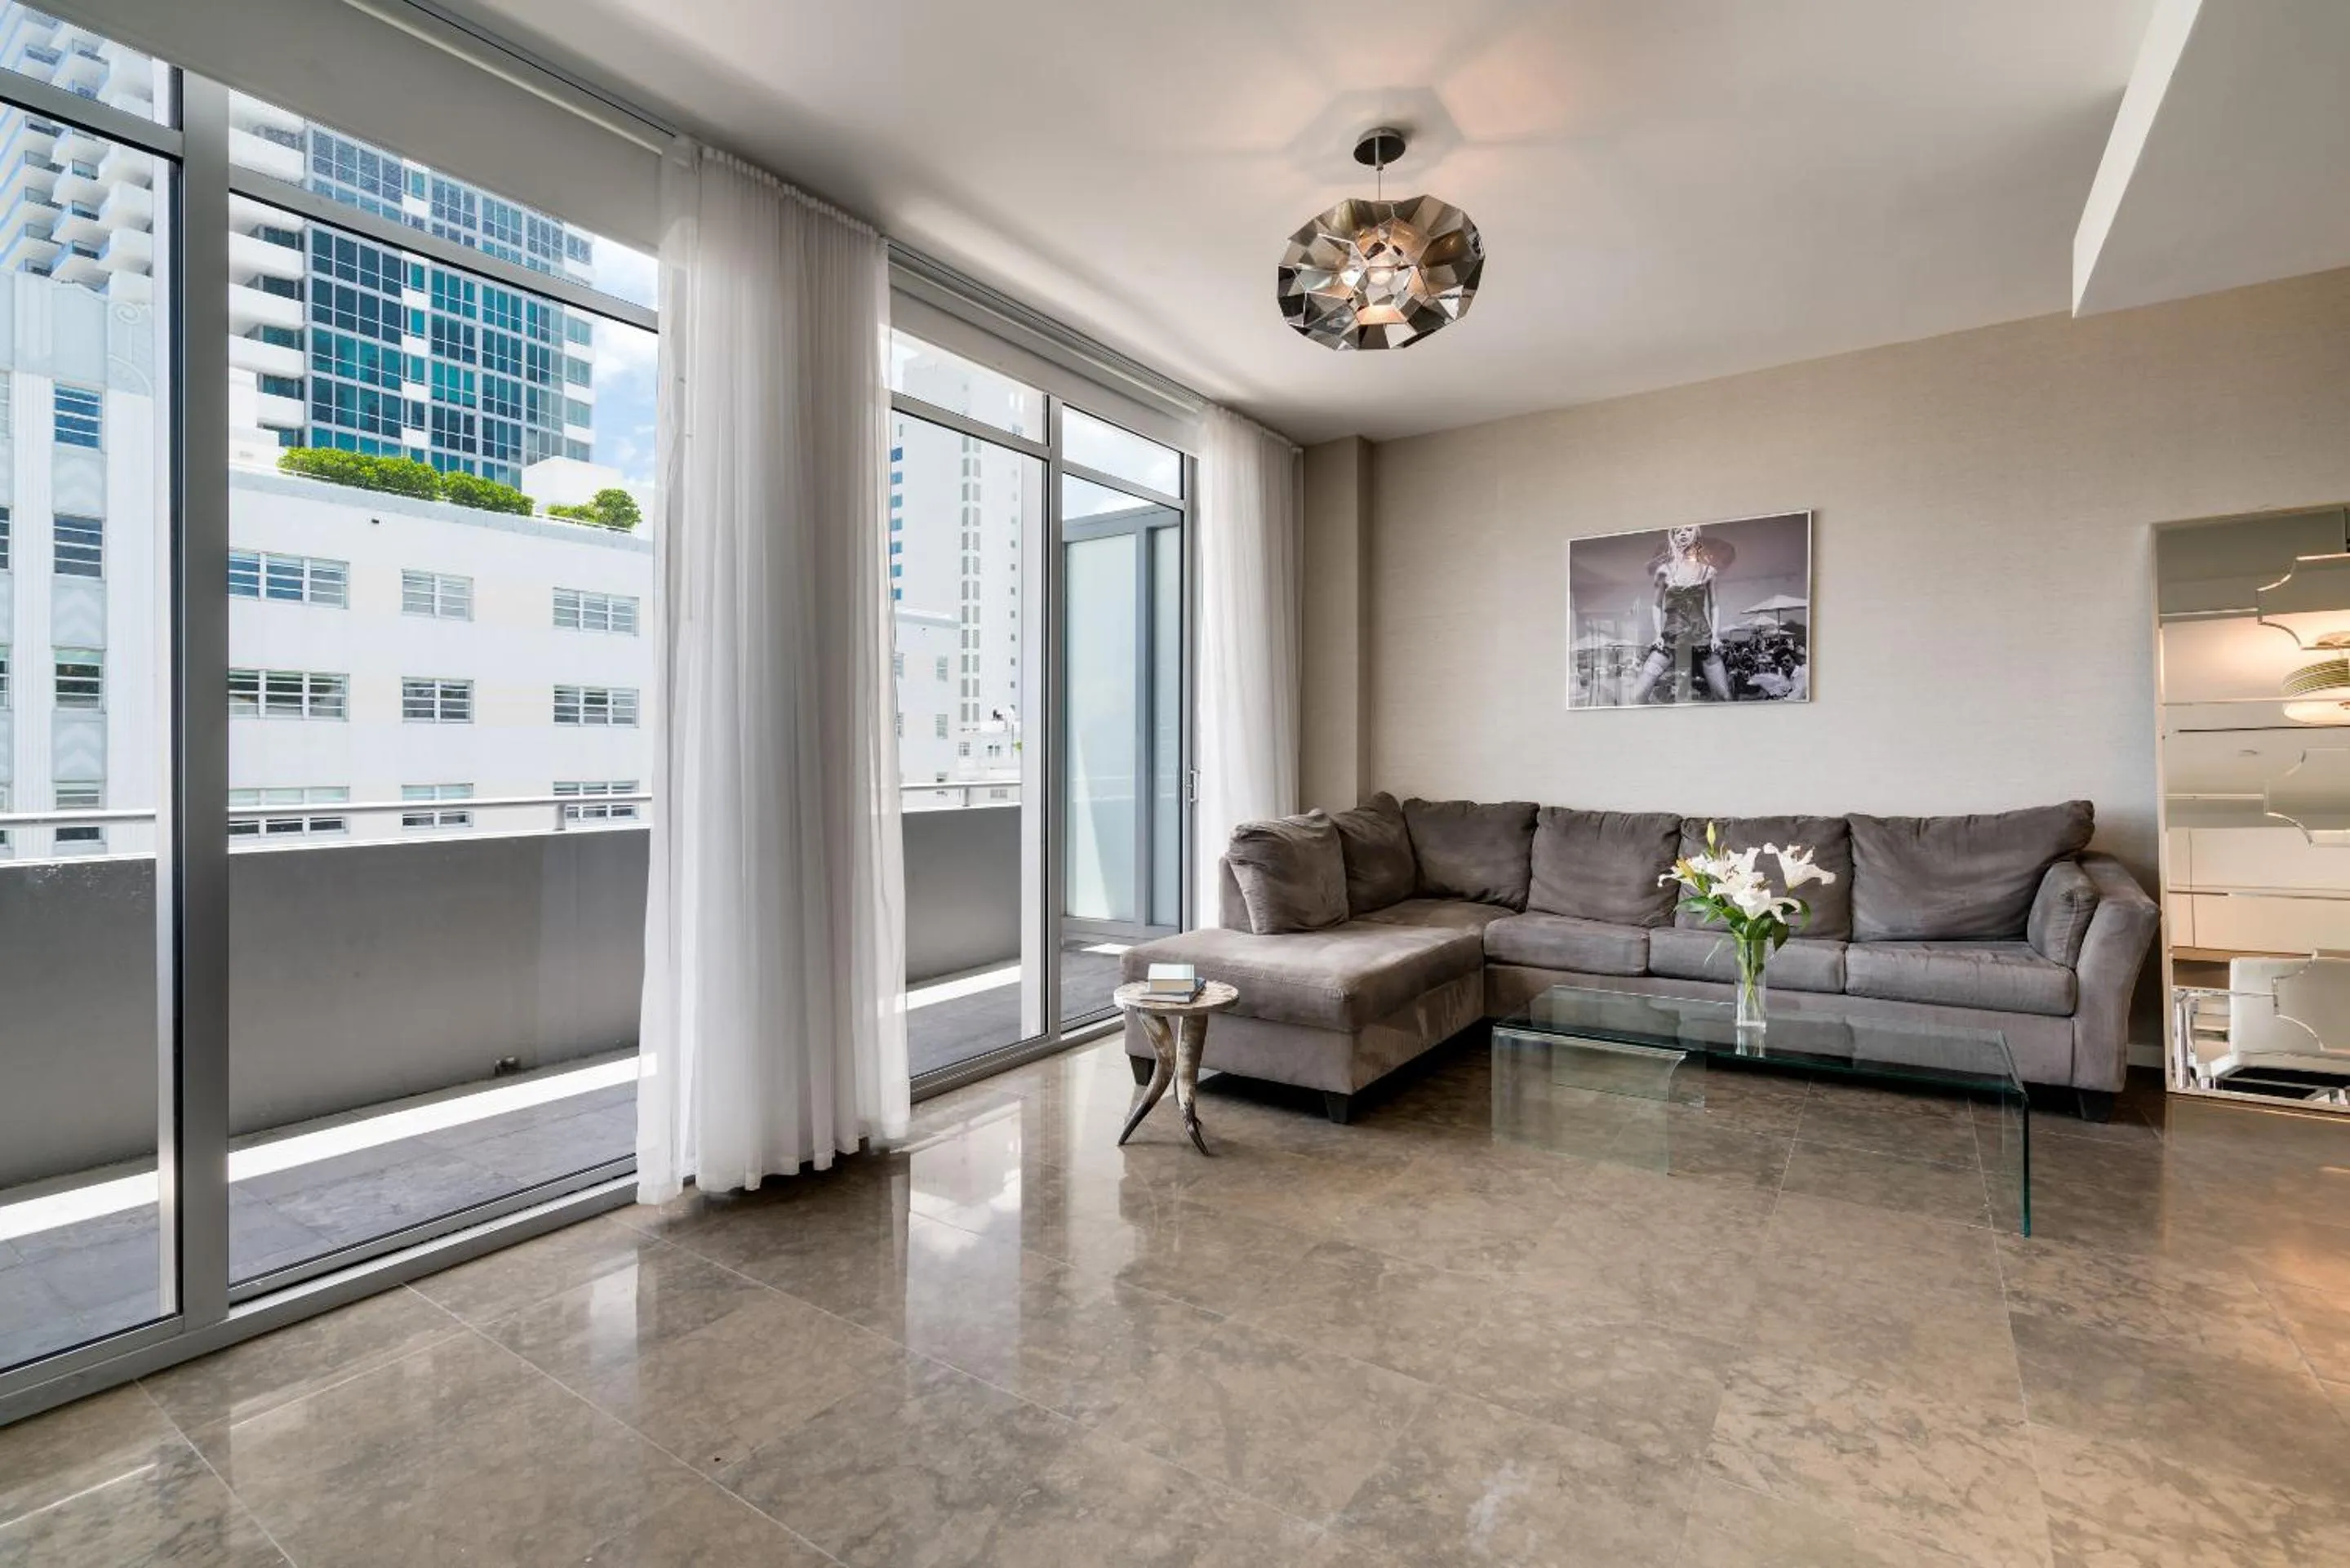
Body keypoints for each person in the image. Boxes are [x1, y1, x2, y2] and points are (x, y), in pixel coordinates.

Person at [1628, 523, 1734, 703]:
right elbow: (1656, 605)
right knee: (1636, 696)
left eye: (1688, 530)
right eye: (1678, 531)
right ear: (1673, 538)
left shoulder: (1709, 572)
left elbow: (1714, 606)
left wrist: (1715, 636)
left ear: (1697, 535)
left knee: (1724, 696)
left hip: (1703, 638)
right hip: (1671, 638)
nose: (1683, 534)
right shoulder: (1664, 572)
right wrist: (1658, 635)